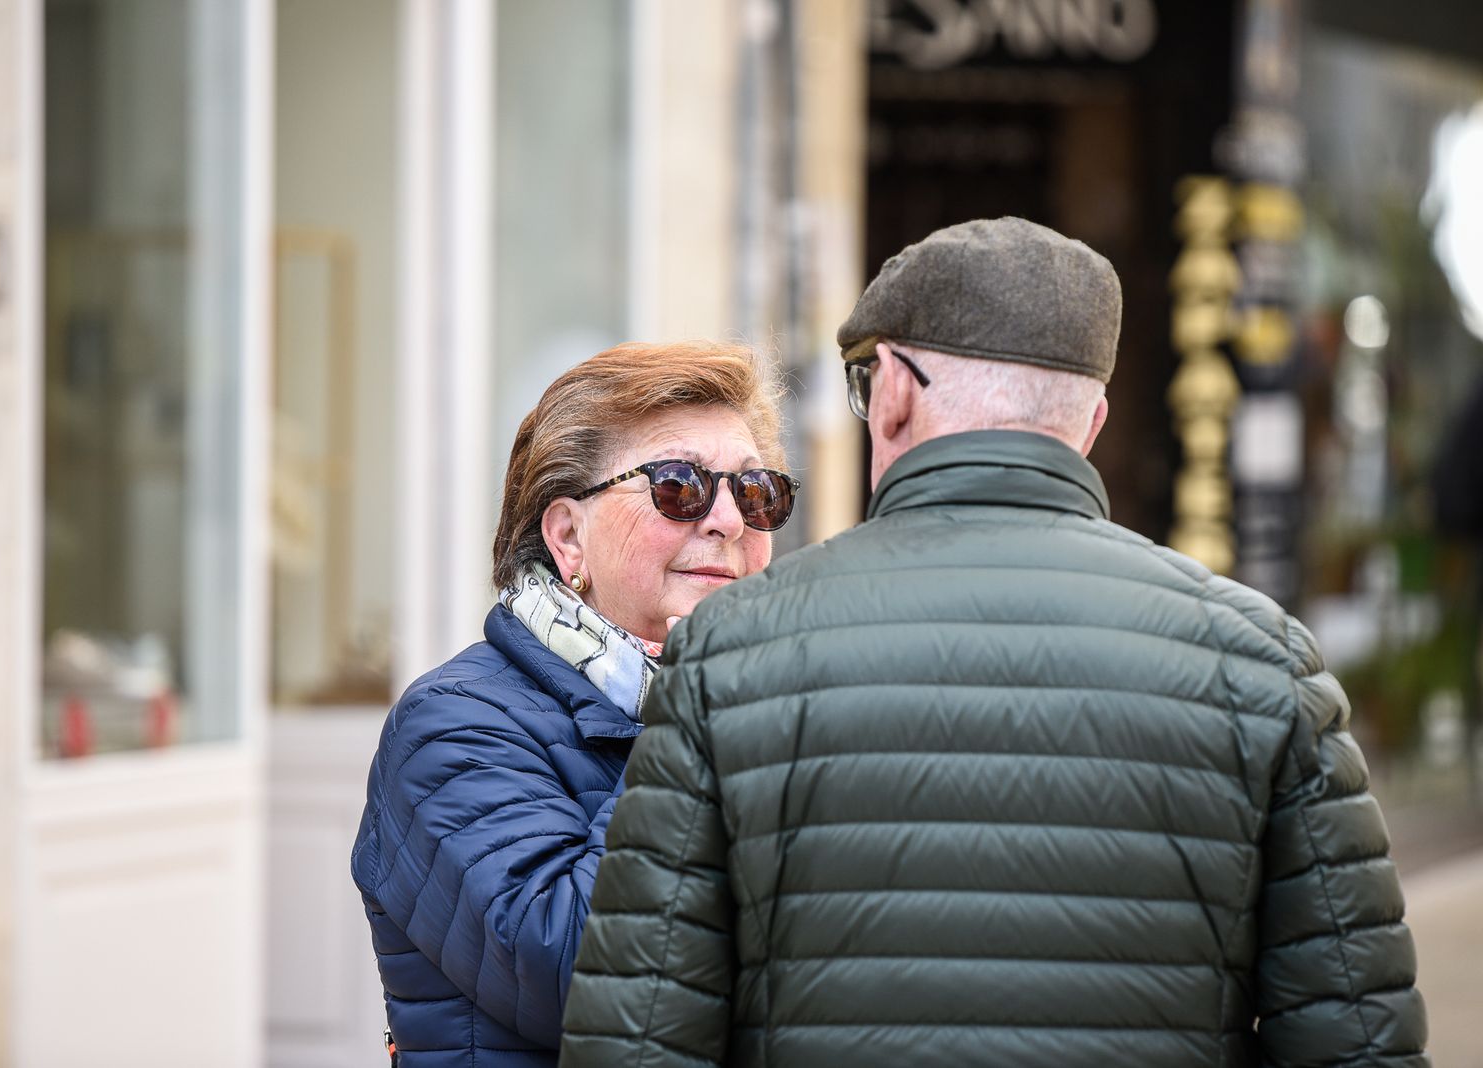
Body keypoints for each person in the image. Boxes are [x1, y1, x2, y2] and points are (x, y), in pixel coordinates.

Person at [560, 219, 1428, 1067]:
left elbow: (639, 1037)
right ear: (1089, 425)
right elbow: (1357, 1035)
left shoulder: (728, 652)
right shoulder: (1263, 662)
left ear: (894, 391)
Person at [352, 341, 799, 1066]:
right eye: (679, 485)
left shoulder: (764, 699)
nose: (729, 520)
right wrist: (695, 692)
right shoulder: (450, 725)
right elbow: (577, 975)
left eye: (756, 491)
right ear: (568, 536)